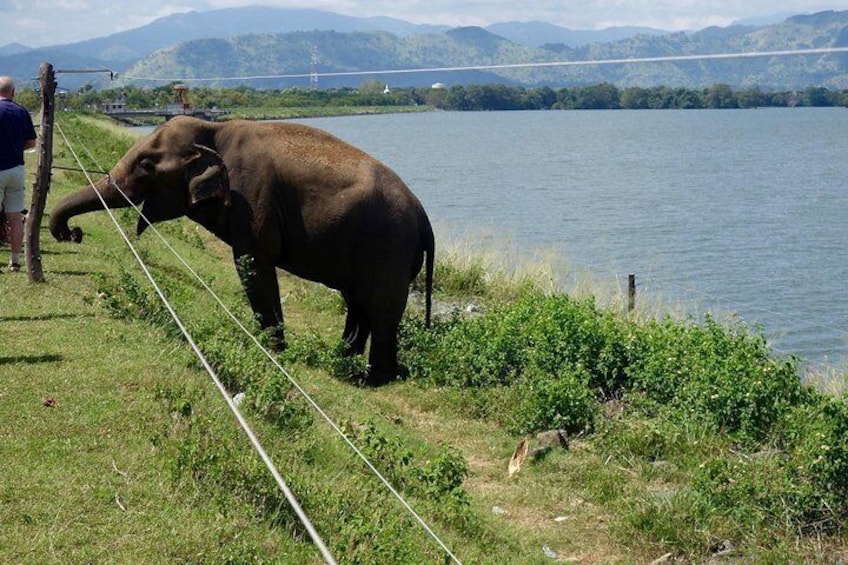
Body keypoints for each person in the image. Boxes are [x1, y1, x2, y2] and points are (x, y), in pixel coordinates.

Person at [0, 76, 37, 272]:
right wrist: (15, 148)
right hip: (16, 169)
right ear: (12, 92)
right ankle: (15, 261)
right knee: (15, 218)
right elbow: (31, 143)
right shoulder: (21, 111)